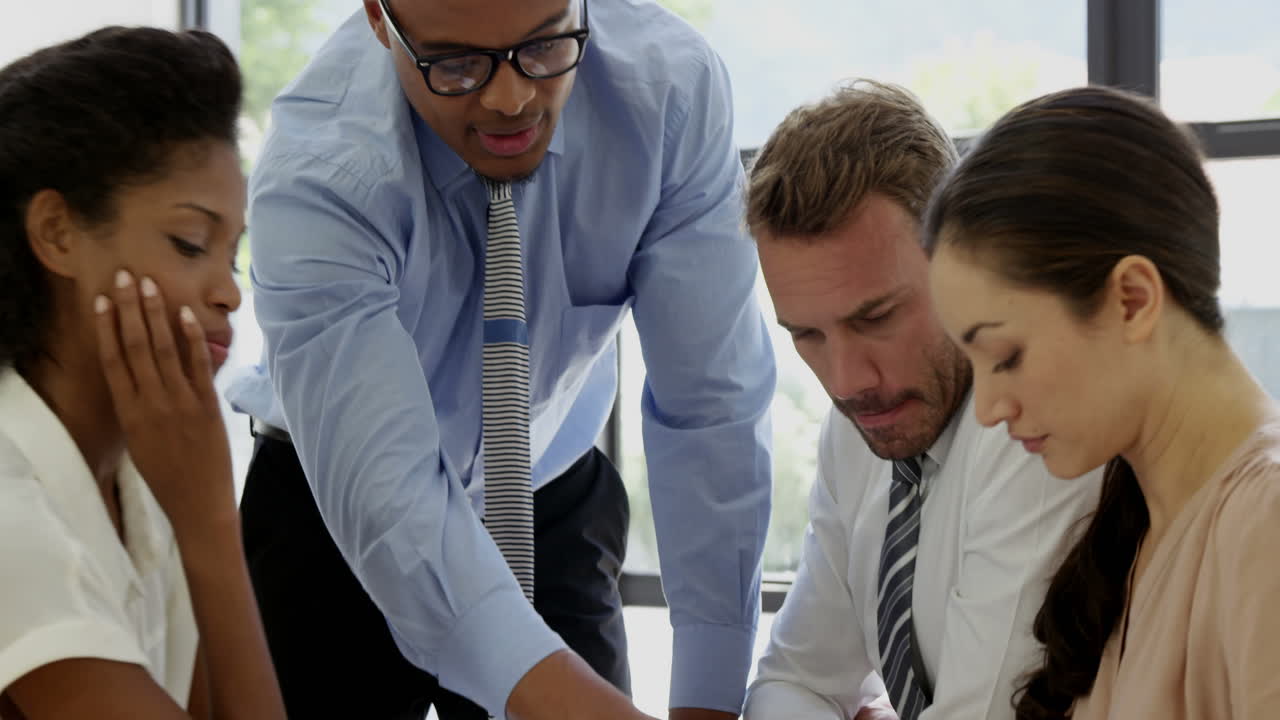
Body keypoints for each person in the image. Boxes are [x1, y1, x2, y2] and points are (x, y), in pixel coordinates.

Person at [224, 0, 777, 718]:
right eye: (455, 63)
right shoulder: (320, 174)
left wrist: (708, 703)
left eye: (545, 47)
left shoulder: (669, 93)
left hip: (551, 486)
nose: (511, 99)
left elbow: (711, 409)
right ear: (378, 17)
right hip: (330, 514)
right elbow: (393, 505)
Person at [739, 80, 1103, 720]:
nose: (847, 380)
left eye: (875, 317)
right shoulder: (857, 425)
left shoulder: (1038, 428)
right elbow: (791, 682)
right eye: (807, 334)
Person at [924, 85, 1280, 720]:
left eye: (1006, 356)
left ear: (1134, 299)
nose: (987, 409)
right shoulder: (1135, 524)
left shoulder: (1265, 523)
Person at [0, 27, 285, 719]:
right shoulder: (11, 515)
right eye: (190, 242)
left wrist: (199, 517)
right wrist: (212, 522)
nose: (229, 293)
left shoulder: (143, 486)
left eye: (232, 252)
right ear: (57, 233)